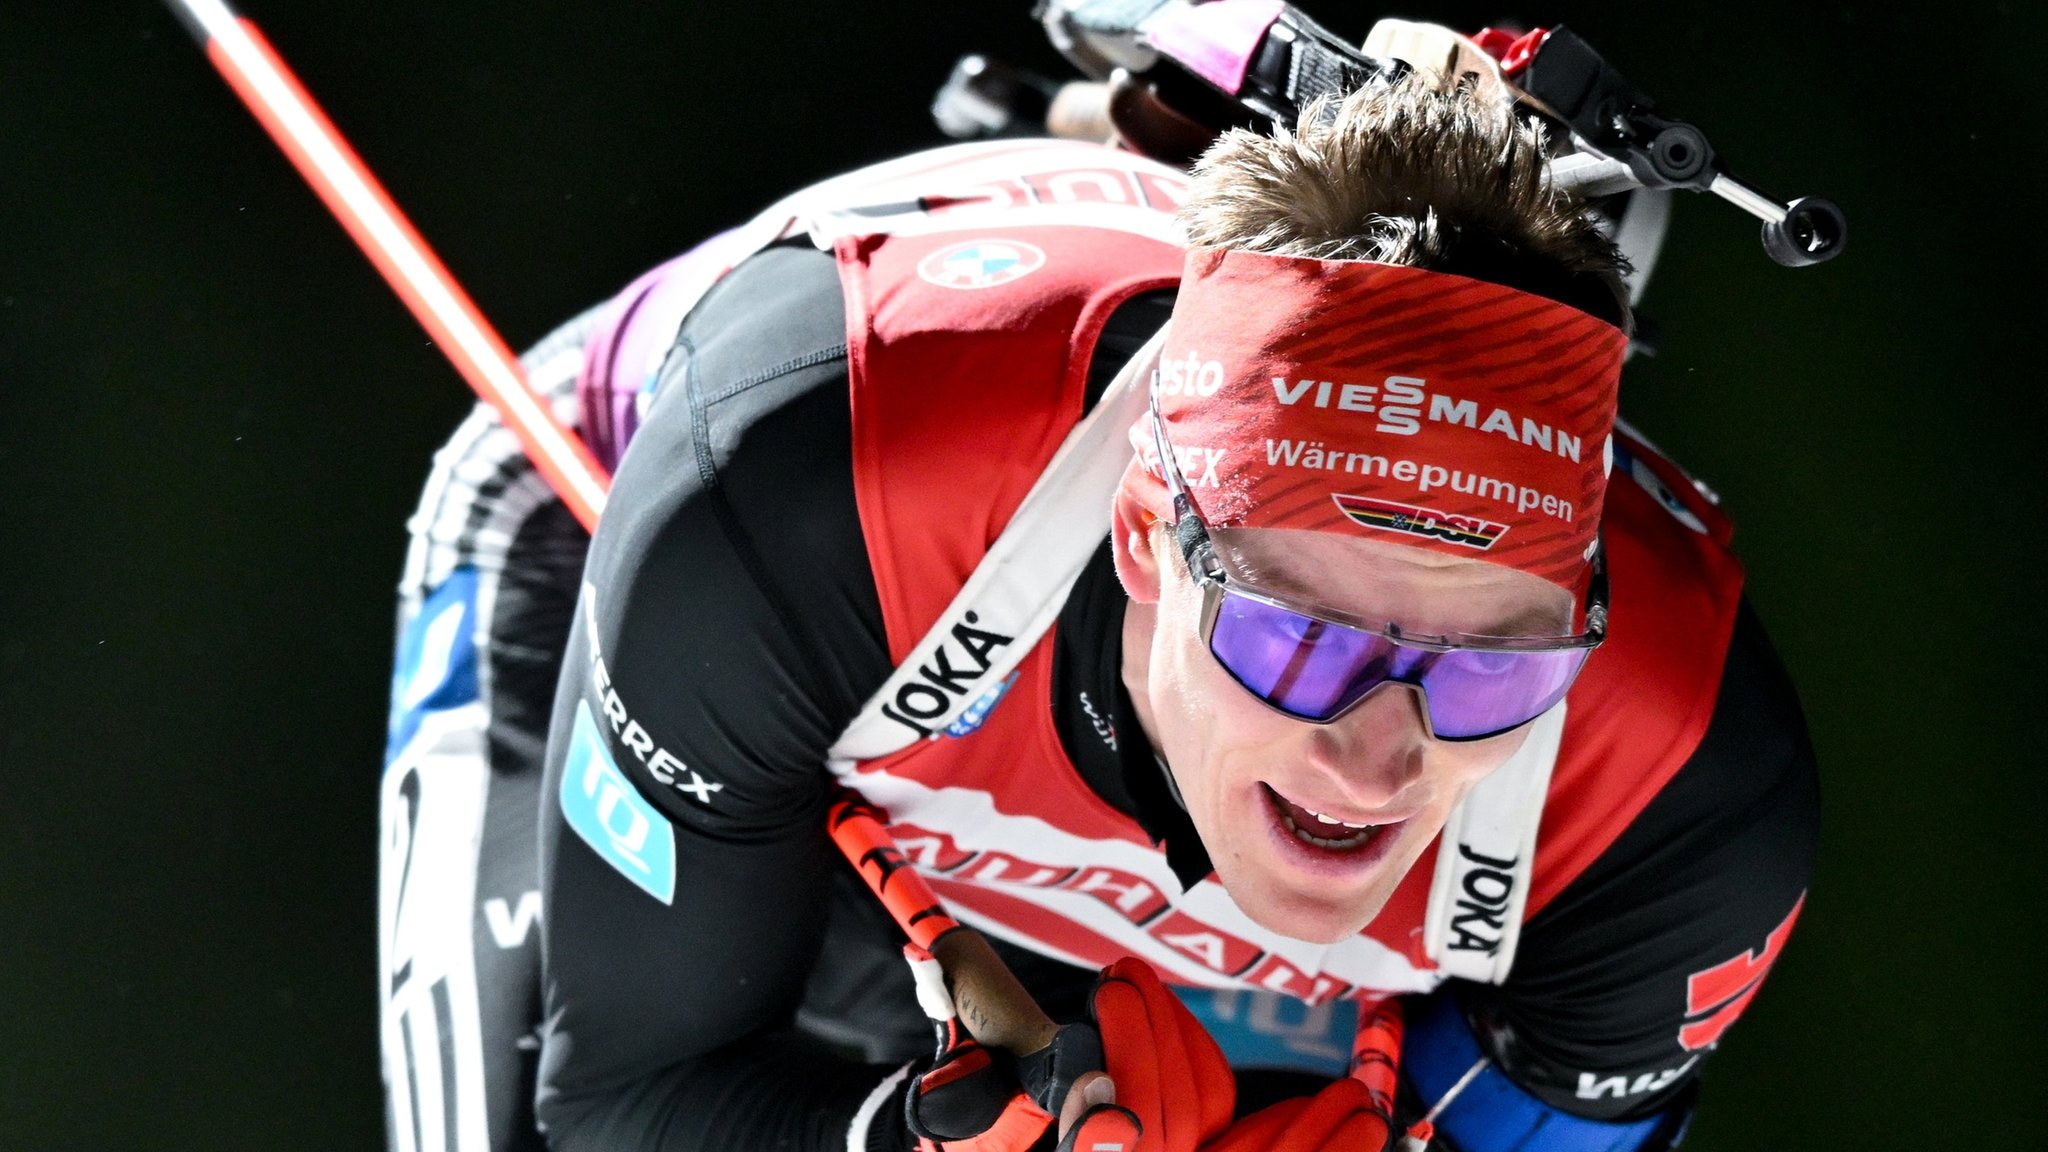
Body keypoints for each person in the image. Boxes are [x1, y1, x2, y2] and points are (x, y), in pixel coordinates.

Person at [378, 66, 1816, 1152]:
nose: (1379, 759)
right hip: (708, 575)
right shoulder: (814, 489)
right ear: (1145, 534)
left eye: (1493, 676)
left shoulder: (1683, 788)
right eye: (1301, 640)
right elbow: (630, 1096)